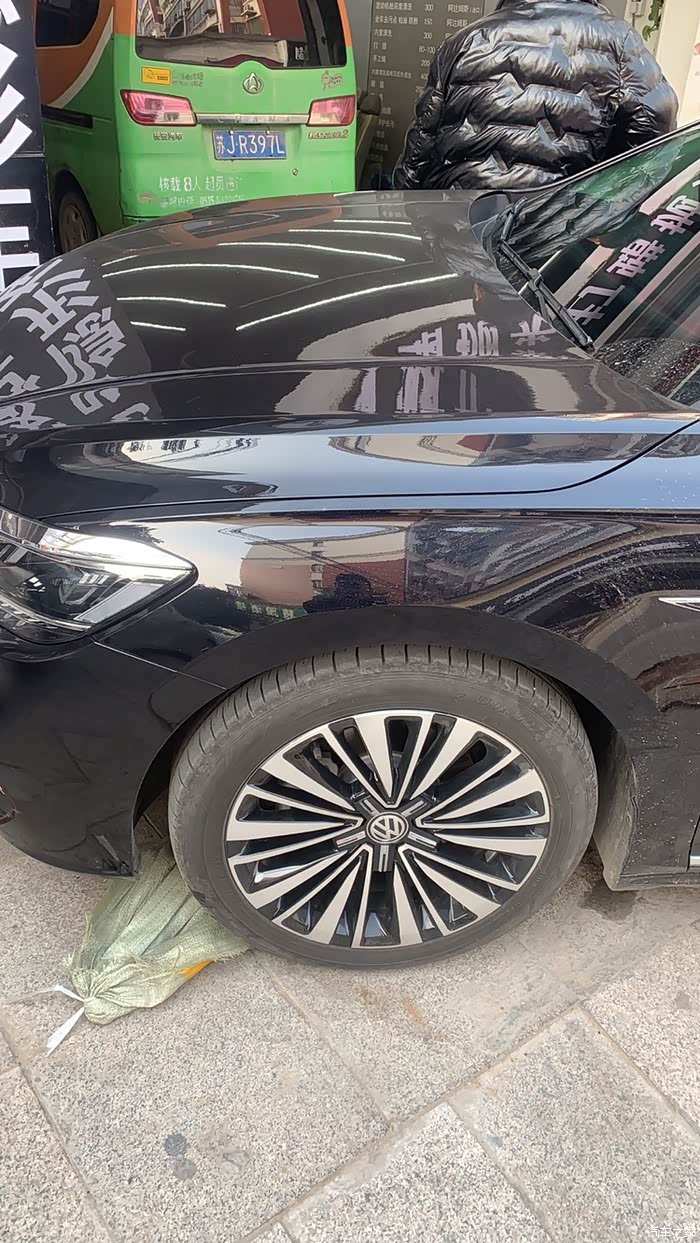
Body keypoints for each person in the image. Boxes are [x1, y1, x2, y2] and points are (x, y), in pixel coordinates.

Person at [394, 0, 678, 192]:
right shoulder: (620, 42)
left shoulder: (466, 40)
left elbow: (418, 155)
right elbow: (653, 137)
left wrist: (416, 217)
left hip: (464, 225)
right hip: (554, 234)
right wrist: (605, 211)